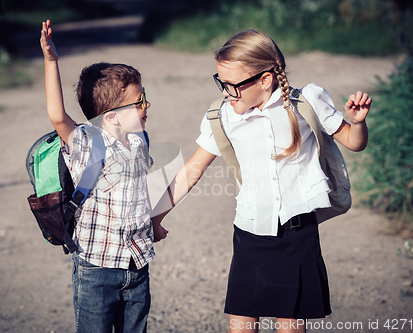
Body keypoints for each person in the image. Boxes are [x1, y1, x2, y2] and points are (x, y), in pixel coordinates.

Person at [151, 30, 371, 333]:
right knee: (241, 324)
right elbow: (192, 169)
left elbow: (353, 142)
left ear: (265, 80)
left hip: (298, 231)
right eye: (222, 83)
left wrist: (358, 123)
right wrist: (156, 216)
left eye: (234, 85)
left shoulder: (307, 101)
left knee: (290, 324)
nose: (228, 93)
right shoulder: (223, 117)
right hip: (250, 232)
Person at [40, 20, 167, 333]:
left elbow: (138, 192)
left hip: (137, 266)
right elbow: (58, 116)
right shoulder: (86, 143)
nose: (146, 104)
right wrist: (51, 62)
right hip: (97, 267)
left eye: (144, 96)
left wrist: (153, 223)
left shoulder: (140, 140)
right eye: (139, 102)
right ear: (110, 116)